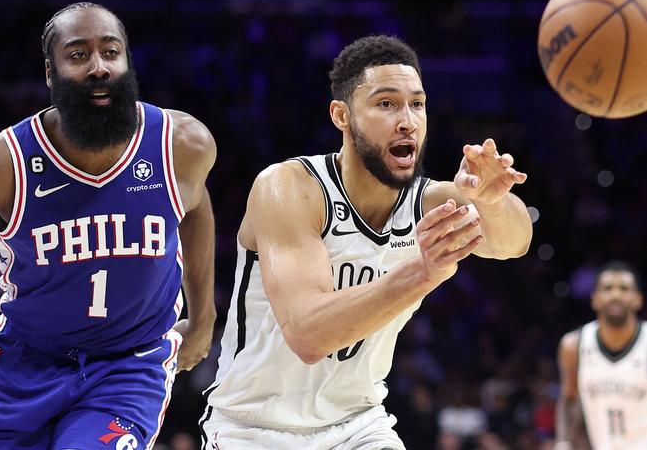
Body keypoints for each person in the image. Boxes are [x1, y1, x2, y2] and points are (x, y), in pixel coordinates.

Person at [199, 35, 532, 449]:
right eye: (386, 104)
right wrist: (423, 273)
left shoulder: (428, 200)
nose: (407, 120)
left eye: (417, 104)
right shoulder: (289, 188)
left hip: (359, 425)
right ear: (341, 115)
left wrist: (491, 200)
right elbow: (308, 335)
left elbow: (514, 241)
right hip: (254, 428)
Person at [0, 2, 216, 449]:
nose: (99, 68)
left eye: (111, 53)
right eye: (78, 55)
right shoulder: (9, 162)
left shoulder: (181, 143)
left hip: (127, 366)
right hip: (22, 362)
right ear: (50, 72)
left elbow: (194, 208)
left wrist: (203, 316)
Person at [555, 261, 647, 450]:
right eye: (607, 288)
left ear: (638, 299)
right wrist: (564, 442)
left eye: (624, 288)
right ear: (594, 299)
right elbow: (569, 399)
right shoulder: (573, 345)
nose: (615, 295)